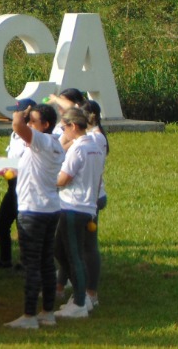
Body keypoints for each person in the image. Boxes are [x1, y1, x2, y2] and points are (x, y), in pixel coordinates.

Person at [2, 102, 64, 329]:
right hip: (49, 208)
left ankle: (29, 316)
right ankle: (47, 312)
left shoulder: (42, 141)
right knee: (46, 263)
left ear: (45, 125)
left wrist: (22, 113)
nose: (29, 123)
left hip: (33, 210)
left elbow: (17, 124)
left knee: (31, 264)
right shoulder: (54, 144)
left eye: (33, 120)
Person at [53, 107, 105, 319]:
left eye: (64, 128)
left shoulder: (78, 149)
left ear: (73, 126)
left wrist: (48, 179)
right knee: (62, 251)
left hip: (73, 206)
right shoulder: (96, 145)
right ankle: (80, 296)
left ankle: (81, 302)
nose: (63, 132)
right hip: (87, 206)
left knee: (74, 256)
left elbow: (64, 178)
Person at [0, 99, 35, 269]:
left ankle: (26, 262)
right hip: (12, 184)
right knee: (1, 224)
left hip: (25, 184)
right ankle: (5, 259)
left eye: (17, 112)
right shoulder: (14, 134)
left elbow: (27, 161)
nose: (13, 115)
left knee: (22, 226)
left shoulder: (33, 135)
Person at [77, 100, 108, 308]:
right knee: (83, 245)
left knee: (87, 246)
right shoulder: (97, 137)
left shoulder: (94, 139)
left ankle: (90, 292)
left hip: (90, 197)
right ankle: (81, 288)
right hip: (92, 196)